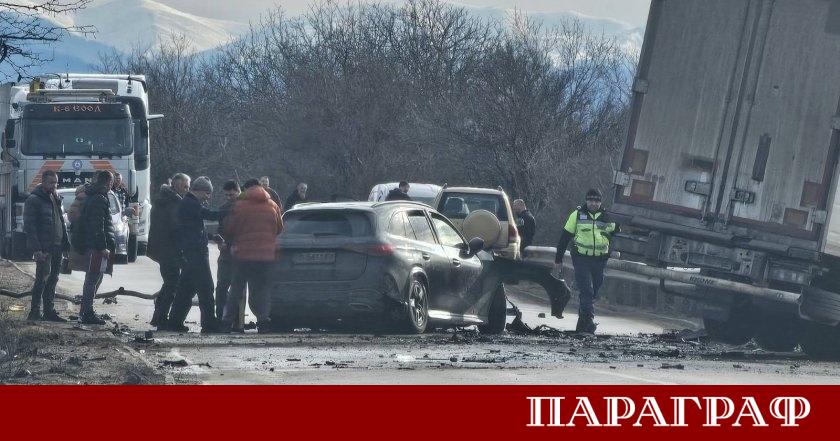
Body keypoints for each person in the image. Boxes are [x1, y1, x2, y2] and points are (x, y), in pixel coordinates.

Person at [553, 188, 618, 334]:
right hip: (581, 259)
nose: (593, 203)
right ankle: (587, 322)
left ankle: (583, 324)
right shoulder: (576, 215)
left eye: (596, 201)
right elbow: (564, 238)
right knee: (587, 291)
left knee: (594, 291)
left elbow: (615, 237)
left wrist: (609, 253)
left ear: (600, 202)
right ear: (586, 200)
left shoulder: (607, 217)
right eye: (591, 200)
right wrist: (558, 259)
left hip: (599, 261)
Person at [222, 184, 284, 333]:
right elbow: (280, 228)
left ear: (245, 191)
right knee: (262, 290)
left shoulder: (239, 206)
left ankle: (226, 323)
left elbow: (229, 228)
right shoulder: (273, 205)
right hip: (266, 256)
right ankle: (263, 322)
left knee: (236, 289)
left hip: (243, 256)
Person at [167, 176, 221, 333]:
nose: (208, 197)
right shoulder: (191, 203)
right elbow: (209, 215)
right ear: (199, 191)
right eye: (207, 193)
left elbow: (195, 227)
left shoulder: (189, 203)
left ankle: (175, 322)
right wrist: (231, 209)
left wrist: (210, 237)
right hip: (196, 253)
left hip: (191, 252)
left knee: (186, 290)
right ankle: (209, 324)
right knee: (206, 288)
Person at [23, 170, 70, 322]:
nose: (54, 185)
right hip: (44, 248)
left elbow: (61, 223)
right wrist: (37, 249)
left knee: (53, 279)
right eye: (51, 182)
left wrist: (65, 245)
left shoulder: (55, 198)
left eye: (56, 182)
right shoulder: (34, 200)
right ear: (43, 182)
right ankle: (35, 312)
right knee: (41, 279)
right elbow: (30, 227)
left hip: (57, 246)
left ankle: (49, 311)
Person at [147, 173, 190, 329]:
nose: (187, 190)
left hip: (162, 248)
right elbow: (175, 228)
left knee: (169, 283)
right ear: (177, 185)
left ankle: (159, 316)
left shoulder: (163, 199)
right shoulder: (173, 202)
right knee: (172, 284)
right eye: (185, 186)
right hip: (169, 249)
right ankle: (161, 318)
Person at [76, 170, 116, 325]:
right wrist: (103, 247)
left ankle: (85, 311)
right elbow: (97, 225)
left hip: (93, 244)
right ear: (109, 182)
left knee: (93, 279)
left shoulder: (93, 195)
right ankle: (87, 313)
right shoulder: (100, 198)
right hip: (96, 247)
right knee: (93, 279)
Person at [214, 180, 244, 328]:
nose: (229, 197)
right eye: (226, 195)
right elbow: (220, 229)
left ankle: (237, 322)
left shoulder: (245, 208)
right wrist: (220, 241)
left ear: (238, 192)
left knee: (237, 289)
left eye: (232, 194)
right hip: (225, 255)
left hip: (239, 254)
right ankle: (220, 318)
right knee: (221, 288)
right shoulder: (223, 209)